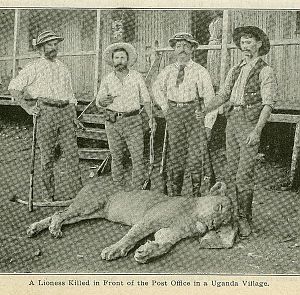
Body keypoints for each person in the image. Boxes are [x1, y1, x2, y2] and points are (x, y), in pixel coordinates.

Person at [202, 26, 278, 238]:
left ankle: (245, 218)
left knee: (244, 174)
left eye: (250, 42)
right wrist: (205, 109)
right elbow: (223, 95)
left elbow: (268, 104)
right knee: (232, 173)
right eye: (243, 43)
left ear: (259, 44)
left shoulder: (266, 71)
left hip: (249, 122)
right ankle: (234, 215)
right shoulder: (235, 69)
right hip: (232, 121)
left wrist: (256, 130)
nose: (245, 46)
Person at [9, 30, 83, 202]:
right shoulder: (33, 67)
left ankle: (79, 197)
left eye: (55, 44)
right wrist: (27, 108)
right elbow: (13, 87)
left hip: (65, 112)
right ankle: (47, 196)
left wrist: (73, 116)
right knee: (47, 157)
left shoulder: (63, 67)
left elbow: (71, 95)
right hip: (46, 111)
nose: (54, 47)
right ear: (41, 47)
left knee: (72, 155)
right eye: (50, 44)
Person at [152, 32, 218, 197]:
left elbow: (210, 99)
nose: (182, 49)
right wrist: (165, 108)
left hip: (195, 115)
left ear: (192, 49)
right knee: (176, 155)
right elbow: (156, 89)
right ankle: (175, 196)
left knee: (196, 157)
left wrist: (208, 124)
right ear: (174, 49)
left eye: (186, 46)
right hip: (174, 113)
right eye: (179, 46)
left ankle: (195, 196)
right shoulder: (167, 71)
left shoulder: (200, 71)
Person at [96, 42, 154, 188]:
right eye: (117, 58)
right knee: (116, 157)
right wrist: (103, 101)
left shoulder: (136, 77)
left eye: (122, 57)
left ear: (127, 60)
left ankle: (136, 190)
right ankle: (118, 189)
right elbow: (99, 102)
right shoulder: (107, 79)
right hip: (113, 122)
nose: (120, 61)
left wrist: (152, 119)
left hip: (133, 121)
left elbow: (146, 99)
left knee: (137, 157)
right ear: (113, 60)